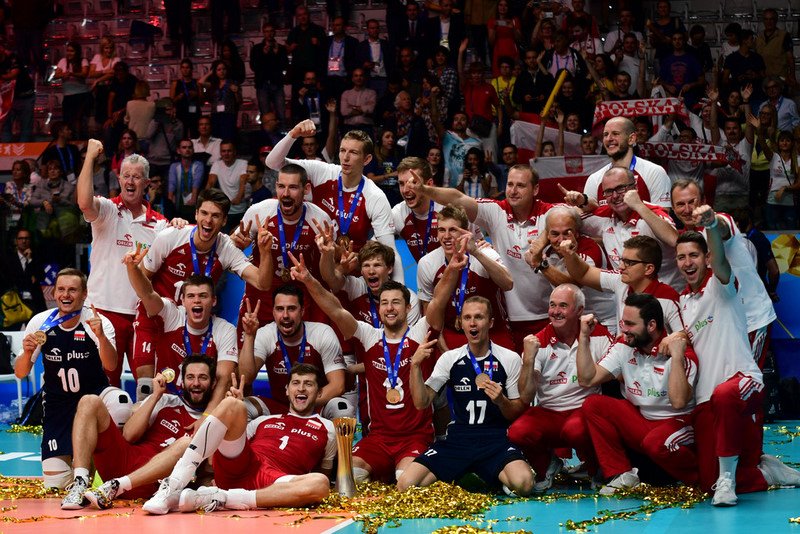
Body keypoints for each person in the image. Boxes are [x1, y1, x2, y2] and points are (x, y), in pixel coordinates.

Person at [290, 250, 449, 484]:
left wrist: (452, 268)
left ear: (408, 308)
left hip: (415, 438)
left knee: (406, 483)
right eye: (384, 303)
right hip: (378, 439)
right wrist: (308, 280)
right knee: (348, 479)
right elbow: (335, 310)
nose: (390, 308)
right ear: (379, 309)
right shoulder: (369, 336)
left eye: (396, 302)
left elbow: (438, 300)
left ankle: (419, 466)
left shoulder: (419, 333)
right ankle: (383, 471)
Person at [676, 220, 800, 505]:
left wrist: (710, 224)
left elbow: (721, 261)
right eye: (681, 257)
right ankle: (766, 474)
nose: (687, 262)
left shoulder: (720, 286)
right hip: (705, 398)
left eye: (694, 255)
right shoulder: (682, 301)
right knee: (707, 482)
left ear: (707, 258)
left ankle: (728, 480)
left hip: (742, 381)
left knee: (725, 394)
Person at [143, 363, 334, 514]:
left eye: (308, 384)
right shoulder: (264, 420)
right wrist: (236, 409)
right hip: (243, 465)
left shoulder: (329, 428)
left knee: (321, 483)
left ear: (319, 392)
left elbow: (322, 470)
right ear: (287, 389)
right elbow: (217, 454)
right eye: (296, 383)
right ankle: (173, 485)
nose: (301, 388)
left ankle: (222, 498)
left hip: (276, 482)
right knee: (232, 404)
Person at [133, 188, 271, 393]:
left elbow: (262, 282)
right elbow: (143, 278)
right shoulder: (171, 236)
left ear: (224, 220)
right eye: (204, 213)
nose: (208, 220)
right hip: (157, 314)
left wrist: (265, 252)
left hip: (192, 322)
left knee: (194, 387)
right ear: (196, 214)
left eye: (215, 216)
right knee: (146, 386)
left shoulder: (226, 248)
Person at [396, 293, 534, 496]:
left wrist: (501, 401)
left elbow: (515, 411)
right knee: (406, 485)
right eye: (467, 318)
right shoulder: (450, 359)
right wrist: (415, 365)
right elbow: (421, 402)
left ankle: (475, 473)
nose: (473, 323)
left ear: (490, 322)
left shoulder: (509, 358)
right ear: (460, 323)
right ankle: (472, 473)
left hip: (494, 440)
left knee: (524, 484)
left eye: (479, 317)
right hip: (458, 440)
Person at [628, 179, 776, 367]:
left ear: (704, 201)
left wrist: (711, 221)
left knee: (745, 375)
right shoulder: (688, 238)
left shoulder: (721, 220)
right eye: (680, 204)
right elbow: (672, 238)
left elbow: (722, 228)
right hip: (723, 324)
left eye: (692, 201)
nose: (687, 209)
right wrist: (639, 206)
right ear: (673, 209)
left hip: (750, 318)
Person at [408, 164, 555, 352]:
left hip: (540, 313)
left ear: (535, 189)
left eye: (520, 185)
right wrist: (425, 190)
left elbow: (573, 216)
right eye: (510, 184)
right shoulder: (496, 211)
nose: (513, 190)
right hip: (503, 318)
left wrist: (477, 252)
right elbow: (458, 198)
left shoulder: (549, 213)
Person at [576, 294, 699, 493]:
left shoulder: (681, 353)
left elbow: (678, 402)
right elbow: (587, 379)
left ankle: (699, 479)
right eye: (623, 323)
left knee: (655, 443)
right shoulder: (624, 347)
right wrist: (583, 337)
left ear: (651, 325)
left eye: (630, 324)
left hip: (678, 422)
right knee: (594, 404)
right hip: (643, 421)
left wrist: (676, 356)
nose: (624, 329)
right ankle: (622, 474)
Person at [61, 356, 214, 509]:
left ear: (213, 383)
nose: (196, 383)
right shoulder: (165, 400)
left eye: (203, 377)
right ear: (182, 382)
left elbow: (206, 472)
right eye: (190, 377)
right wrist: (155, 396)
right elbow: (129, 435)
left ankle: (118, 485)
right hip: (123, 461)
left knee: (186, 443)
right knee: (89, 401)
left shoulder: (213, 421)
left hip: (151, 483)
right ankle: (80, 484)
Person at [14, 269, 117, 490]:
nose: (66, 295)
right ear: (54, 293)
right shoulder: (41, 322)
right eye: (61, 289)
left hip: (93, 400)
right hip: (57, 404)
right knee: (56, 483)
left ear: (84, 294)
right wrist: (26, 352)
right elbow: (20, 373)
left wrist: (101, 337)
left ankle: (98, 465)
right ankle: (77, 468)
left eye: (72, 290)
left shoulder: (97, 322)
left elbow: (111, 365)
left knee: (120, 402)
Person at [78, 139, 169, 388]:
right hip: (103, 312)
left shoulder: (160, 225)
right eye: (126, 176)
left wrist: (180, 225)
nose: (130, 181)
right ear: (119, 180)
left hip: (143, 317)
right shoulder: (107, 210)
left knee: (148, 388)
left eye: (136, 177)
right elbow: (84, 203)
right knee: (105, 388)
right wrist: (90, 157)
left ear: (147, 183)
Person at [266, 121, 403, 281]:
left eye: (353, 152)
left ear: (366, 159)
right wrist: (293, 134)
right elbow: (273, 163)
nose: (345, 157)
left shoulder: (375, 196)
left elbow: (389, 251)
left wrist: (399, 290)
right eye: (343, 150)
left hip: (351, 273)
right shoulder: (322, 172)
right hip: (314, 265)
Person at [507, 284, 612, 492]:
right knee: (517, 432)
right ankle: (547, 465)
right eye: (552, 305)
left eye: (563, 306)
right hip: (549, 412)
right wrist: (528, 360)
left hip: (585, 410)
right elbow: (526, 396)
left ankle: (595, 469)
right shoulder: (538, 341)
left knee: (575, 429)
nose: (555, 311)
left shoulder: (599, 334)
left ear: (580, 311)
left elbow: (616, 374)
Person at [232, 163, 336, 329]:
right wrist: (239, 245)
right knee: (250, 343)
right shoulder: (259, 211)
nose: (286, 194)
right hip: (262, 296)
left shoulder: (319, 219)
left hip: (303, 297)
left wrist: (327, 254)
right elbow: (231, 249)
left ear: (306, 189)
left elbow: (328, 273)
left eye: (293, 187)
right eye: (281, 186)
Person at [564, 167, 682, 290]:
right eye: (609, 191)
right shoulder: (604, 216)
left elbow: (674, 240)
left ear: (635, 187)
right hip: (627, 295)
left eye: (621, 188)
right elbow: (564, 217)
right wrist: (584, 201)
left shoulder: (652, 212)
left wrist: (638, 206)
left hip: (667, 295)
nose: (615, 196)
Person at [239, 285, 347, 417]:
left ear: (302, 311)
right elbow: (246, 378)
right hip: (280, 407)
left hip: (315, 406)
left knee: (342, 407)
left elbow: (338, 385)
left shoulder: (322, 333)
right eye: (280, 309)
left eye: (291, 308)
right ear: (273, 312)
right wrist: (249, 336)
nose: (285, 315)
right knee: (241, 407)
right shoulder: (265, 334)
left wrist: (302, 404)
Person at [417, 204, 514, 351]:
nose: (446, 236)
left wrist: (476, 252)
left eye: (453, 230)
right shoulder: (427, 263)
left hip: (492, 331)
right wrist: (443, 349)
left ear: (466, 232)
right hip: (453, 333)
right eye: (441, 230)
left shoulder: (484, 253)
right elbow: (429, 312)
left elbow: (508, 284)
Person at [524, 206, 616, 331]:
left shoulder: (590, 248)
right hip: (573, 322)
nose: (561, 240)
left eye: (567, 233)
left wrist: (540, 264)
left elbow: (573, 286)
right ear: (548, 235)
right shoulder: (548, 252)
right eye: (555, 234)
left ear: (577, 232)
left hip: (604, 321)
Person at [581, 117, 671, 208]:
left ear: (631, 139)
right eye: (605, 134)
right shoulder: (594, 179)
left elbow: (663, 215)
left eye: (615, 134)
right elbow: (586, 215)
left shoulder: (654, 172)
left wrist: (637, 206)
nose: (609, 139)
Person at [0, 228, 47, 325]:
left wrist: (29, 260)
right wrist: (30, 278)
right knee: (14, 331)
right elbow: (9, 279)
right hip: (15, 302)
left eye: (26, 238)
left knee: (36, 330)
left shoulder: (36, 257)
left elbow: (41, 276)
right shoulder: (8, 258)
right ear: (16, 241)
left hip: (34, 301)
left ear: (30, 240)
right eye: (20, 238)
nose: (24, 241)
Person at [207, 140, 249, 232]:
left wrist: (238, 198)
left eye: (229, 151)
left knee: (240, 237)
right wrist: (206, 199)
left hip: (241, 209)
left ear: (234, 152)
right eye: (223, 151)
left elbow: (243, 181)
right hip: (225, 210)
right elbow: (211, 183)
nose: (226, 154)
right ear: (220, 153)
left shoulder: (243, 163)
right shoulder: (217, 164)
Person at [250, 24, 288, 122]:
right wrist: (263, 54)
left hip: (277, 84)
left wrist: (276, 54)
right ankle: (266, 132)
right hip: (262, 85)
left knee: (281, 114)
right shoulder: (257, 49)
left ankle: (282, 131)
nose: (269, 34)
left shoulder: (281, 48)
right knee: (265, 115)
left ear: (274, 32)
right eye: (267, 31)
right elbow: (253, 66)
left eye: (271, 31)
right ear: (263, 33)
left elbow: (285, 66)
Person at [0, 38, 36, 142]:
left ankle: (25, 150)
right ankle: (6, 150)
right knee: (5, 128)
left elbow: (13, 74)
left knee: (26, 128)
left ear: (2, 48)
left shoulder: (13, 58)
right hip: (8, 99)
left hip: (25, 96)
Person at [168, 139, 205, 221]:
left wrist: (193, 198)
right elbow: (171, 184)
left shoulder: (198, 165)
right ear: (178, 150)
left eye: (189, 147)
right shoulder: (174, 166)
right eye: (184, 147)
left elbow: (196, 182)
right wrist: (170, 202)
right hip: (178, 206)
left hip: (194, 206)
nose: (187, 149)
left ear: (193, 150)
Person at [170, 59, 202, 137]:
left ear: (191, 69)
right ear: (180, 69)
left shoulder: (197, 83)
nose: (185, 70)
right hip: (181, 114)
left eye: (187, 67)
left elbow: (202, 100)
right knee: (181, 137)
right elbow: (171, 102)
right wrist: (178, 97)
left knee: (195, 136)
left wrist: (197, 94)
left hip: (194, 113)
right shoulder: (175, 83)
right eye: (183, 67)